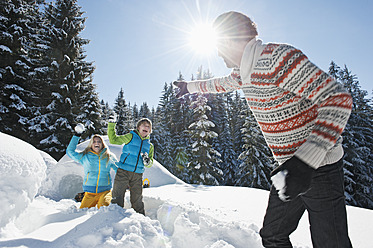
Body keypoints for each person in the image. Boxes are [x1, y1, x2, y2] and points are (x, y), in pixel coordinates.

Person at [173, 11, 353, 248]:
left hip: (321, 169)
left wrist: (307, 160)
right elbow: (221, 83)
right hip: (289, 171)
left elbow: (337, 98)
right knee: (272, 236)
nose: (217, 53)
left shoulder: (276, 58)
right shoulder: (243, 72)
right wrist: (190, 86)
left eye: (218, 45)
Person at [107, 118, 154, 215]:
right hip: (123, 171)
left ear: (150, 131)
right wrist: (111, 124)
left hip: (137, 175)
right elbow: (113, 140)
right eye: (144, 125)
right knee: (117, 196)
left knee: (137, 199)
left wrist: (147, 161)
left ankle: (141, 219)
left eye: (148, 126)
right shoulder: (131, 136)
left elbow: (150, 163)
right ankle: (113, 217)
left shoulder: (150, 145)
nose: (146, 127)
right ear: (138, 127)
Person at [66, 124, 118, 209]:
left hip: (105, 191)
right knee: (82, 211)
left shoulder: (109, 156)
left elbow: (119, 170)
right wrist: (77, 135)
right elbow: (70, 152)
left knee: (104, 208)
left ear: (102, 144)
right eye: (94, 141)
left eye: (99, 141)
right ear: (91, 144)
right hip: (89, 193)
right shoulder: (85, 156)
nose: (97, 143)